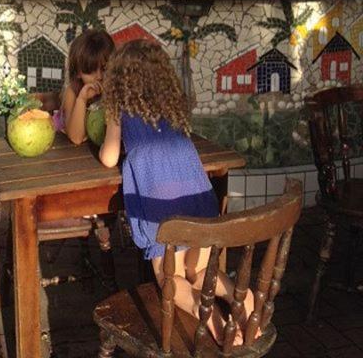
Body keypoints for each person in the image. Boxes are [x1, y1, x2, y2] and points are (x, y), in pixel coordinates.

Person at [99, 39, 256, 345]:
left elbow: (107, 157)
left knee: (172, 279)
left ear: (118, 80)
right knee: (199, 271)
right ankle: (242, 298)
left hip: (160, 207)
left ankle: (206, 313)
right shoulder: (172, 107)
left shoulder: (120, 109)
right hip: (195, 195)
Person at [54, 29, 114, 145]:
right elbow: (76, 138)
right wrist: (82, 99)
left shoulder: (116, 91)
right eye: (90, 71)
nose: (99, 76)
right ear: (77, 73)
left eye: (104, 69)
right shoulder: (72, 92)